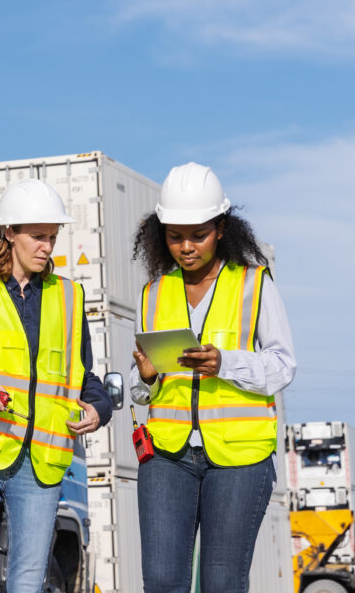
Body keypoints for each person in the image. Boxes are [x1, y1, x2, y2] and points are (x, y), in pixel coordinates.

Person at [0, 178, 113, 593]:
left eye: (52, 237)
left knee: (28, 585)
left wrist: (98, 408)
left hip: (41, 463)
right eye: (37, 236)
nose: (47, 247)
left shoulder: (70, 298)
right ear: (9, 233)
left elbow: (85, 377)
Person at [131, 162, 296, 593]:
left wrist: (227, 363)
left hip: (240, 456)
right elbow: (140, 387)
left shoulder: (255, 285)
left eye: (198, 234)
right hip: (167, 455)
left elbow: (283, 366)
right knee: (163, 581)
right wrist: (145, 376)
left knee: (222, 582)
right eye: (174, 236)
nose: (186, 247)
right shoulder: (153, 293)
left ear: (221, 228)